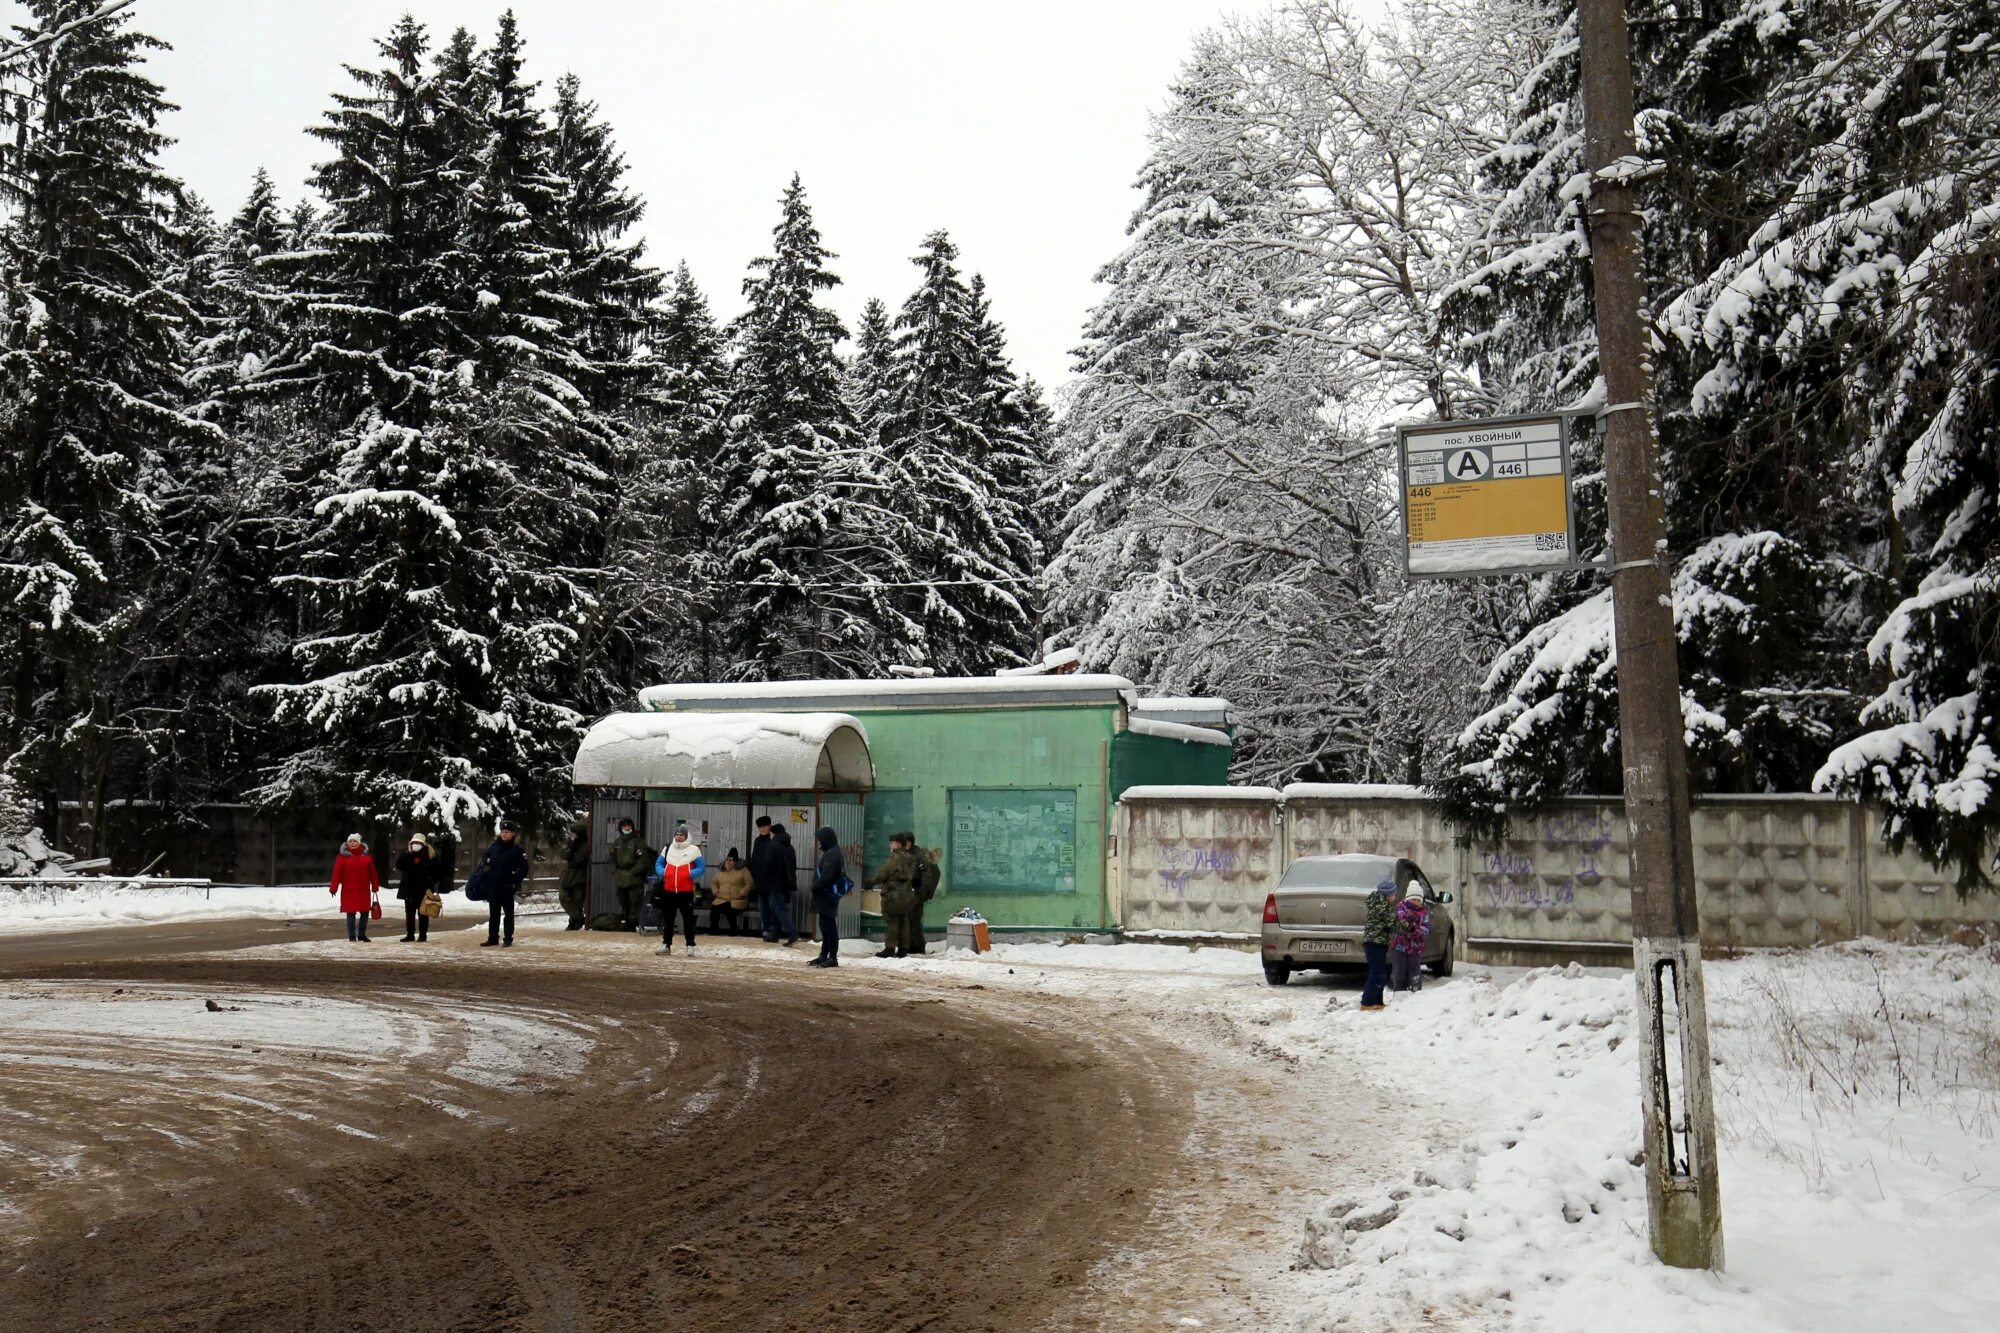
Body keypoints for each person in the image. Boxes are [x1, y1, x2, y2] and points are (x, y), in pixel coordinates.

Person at [475, 820, 531, 948]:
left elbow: (524, 868)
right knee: (494, 914)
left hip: (507, 886)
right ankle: (493, 937)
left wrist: (515, 882)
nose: (504, 834)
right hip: (493, 885)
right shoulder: (494, 846)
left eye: (507, 832)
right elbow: (484, 861)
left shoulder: (517, 850)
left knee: (508, 914)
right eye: (502, 832)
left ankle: (508, 938)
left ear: (513, 834)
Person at [652, 822, 704, 955]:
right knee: (668, 920)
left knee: (688, 920)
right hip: (669, 890)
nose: (679, 837)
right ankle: (666, 945)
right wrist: (663, 872)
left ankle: (690, 946)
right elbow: (659, 863)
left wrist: (690, 874)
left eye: (681, 835)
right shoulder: (668, 848)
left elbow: (701, 867)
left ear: (686, 836)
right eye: (677, 834)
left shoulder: (694, 850)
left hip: (685, 891)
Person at [868, 832, 920, 959]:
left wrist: (871, 881)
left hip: (894, 893)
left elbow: (884, 872)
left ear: (898, 844)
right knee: (904, 920)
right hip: (906, 892)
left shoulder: (895, 857)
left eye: (892, 842)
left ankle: (890, 948)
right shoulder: (910, 857)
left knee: (892, 919)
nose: (890, 845)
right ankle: (903, 948)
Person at [751, 817, 799, 946]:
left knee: (776, 908)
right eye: (760, 827)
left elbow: (769, 864)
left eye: (765, 827)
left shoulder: (774, 843)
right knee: (766, 908)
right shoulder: (759, 841)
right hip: (764, 881)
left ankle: (776, 932)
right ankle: (768, 931)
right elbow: (755, 860)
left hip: (772, 882)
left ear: (770, 828)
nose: (763, 830)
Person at [393, 833, 446, 943]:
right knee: (409, 913)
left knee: (423, 913)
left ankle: (422, 935)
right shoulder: (408, 855)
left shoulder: (429, 855)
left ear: (423, 844)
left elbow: (437, 872)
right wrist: (407, 853)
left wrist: (430, 878)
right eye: (413, 843)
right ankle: (410, 934)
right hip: (409, 889)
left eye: (418, 843)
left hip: (423, 889)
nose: (415, 845)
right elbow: (399, 865)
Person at [328, 833, 380, 943]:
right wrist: (334, 887)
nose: (352, 843)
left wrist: (375, 886)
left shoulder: (367, 857)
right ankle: (352, 935)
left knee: (365, 912)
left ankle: (362, 934)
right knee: (350, 913)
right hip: (349, 890)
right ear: (347, 843)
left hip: (363, 890)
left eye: (354, 841)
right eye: (350, 841)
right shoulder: (342, 857)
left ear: (359, 843)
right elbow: (336, 873)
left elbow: (373, 873)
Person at [808, 826, 845, 968]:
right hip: (825, 895)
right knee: (824, 926)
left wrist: (814, 886)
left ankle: (832, 957)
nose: (819, 842)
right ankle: (824, 955)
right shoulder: (831, 852)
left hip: (827, 895)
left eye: (820, 840)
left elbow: (826, 877)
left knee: (829, 926)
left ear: (826, 840)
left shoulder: (833, 854)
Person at [1360, 878, 1397, 1010]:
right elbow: (1392, 923)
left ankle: (1377, 1002)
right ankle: (1367, 1002)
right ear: (1387, 894)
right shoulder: (1383, 906)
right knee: (1378, 973)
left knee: (1379, 972)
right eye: (1393, 894)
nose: (1395, 896)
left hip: (1374, 943)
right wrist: (1408, 926)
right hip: (1375, 943)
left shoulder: (1378, 903)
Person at [1391, 883, 1432, 993]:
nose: (1416, 902)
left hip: (1415, 949)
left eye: (1419, 900)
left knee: (1414, 973)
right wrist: (1407, 924)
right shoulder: (1401, 907)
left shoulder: (1423, 913)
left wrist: (1416, 929)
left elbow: (1427, 928)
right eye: (1414, 899)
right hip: (1400, 948)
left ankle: (1415, 993)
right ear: (1408, 898)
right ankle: (1399, 993)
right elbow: (1401, 920)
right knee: (1399, 972)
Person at [609, 817, 649, 930]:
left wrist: (632, 872)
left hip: (634, 878)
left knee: (634, 901)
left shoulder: (638, 842)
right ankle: (625, 922)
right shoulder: (617, 842)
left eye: (629, 825)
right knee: (622, 900)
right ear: (621, 828)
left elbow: (643, 860)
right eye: (625, 825)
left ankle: (632, 924)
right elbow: (611, 859)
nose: (627, 827)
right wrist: (615, 871)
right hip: (620, 877)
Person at [709, 849, 752, 936]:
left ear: (735, 862)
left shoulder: (743, 871)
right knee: (714, 908)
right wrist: (715, 890)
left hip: (738, 900)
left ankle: (734, 928)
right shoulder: (721, 871)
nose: (728, 862)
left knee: (729, 907)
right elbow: (714, 882)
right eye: (727, 860)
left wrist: (744, 890)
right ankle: (714, 929)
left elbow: (749, 883)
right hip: (722, 899)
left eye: (731, 860)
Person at [908, 845, 941, 954]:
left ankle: (916, 946)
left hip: (917, 897)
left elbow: (924, 884)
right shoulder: (934, 869)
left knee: (914, 922)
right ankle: (916, 946)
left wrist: (919, 895)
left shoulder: (929, 869)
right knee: (915, 922)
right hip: (919, 897)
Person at [558, 818, 590, 931]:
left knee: (577, 901)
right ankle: (579, 918)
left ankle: (574, 922)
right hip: (569, 877)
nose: (571, 834)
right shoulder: (573, 843)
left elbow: (577, 859)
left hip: (579, 877)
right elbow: (564, 854)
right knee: (564, 897)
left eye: (573, 832)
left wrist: (568, 852)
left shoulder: (585, 844)